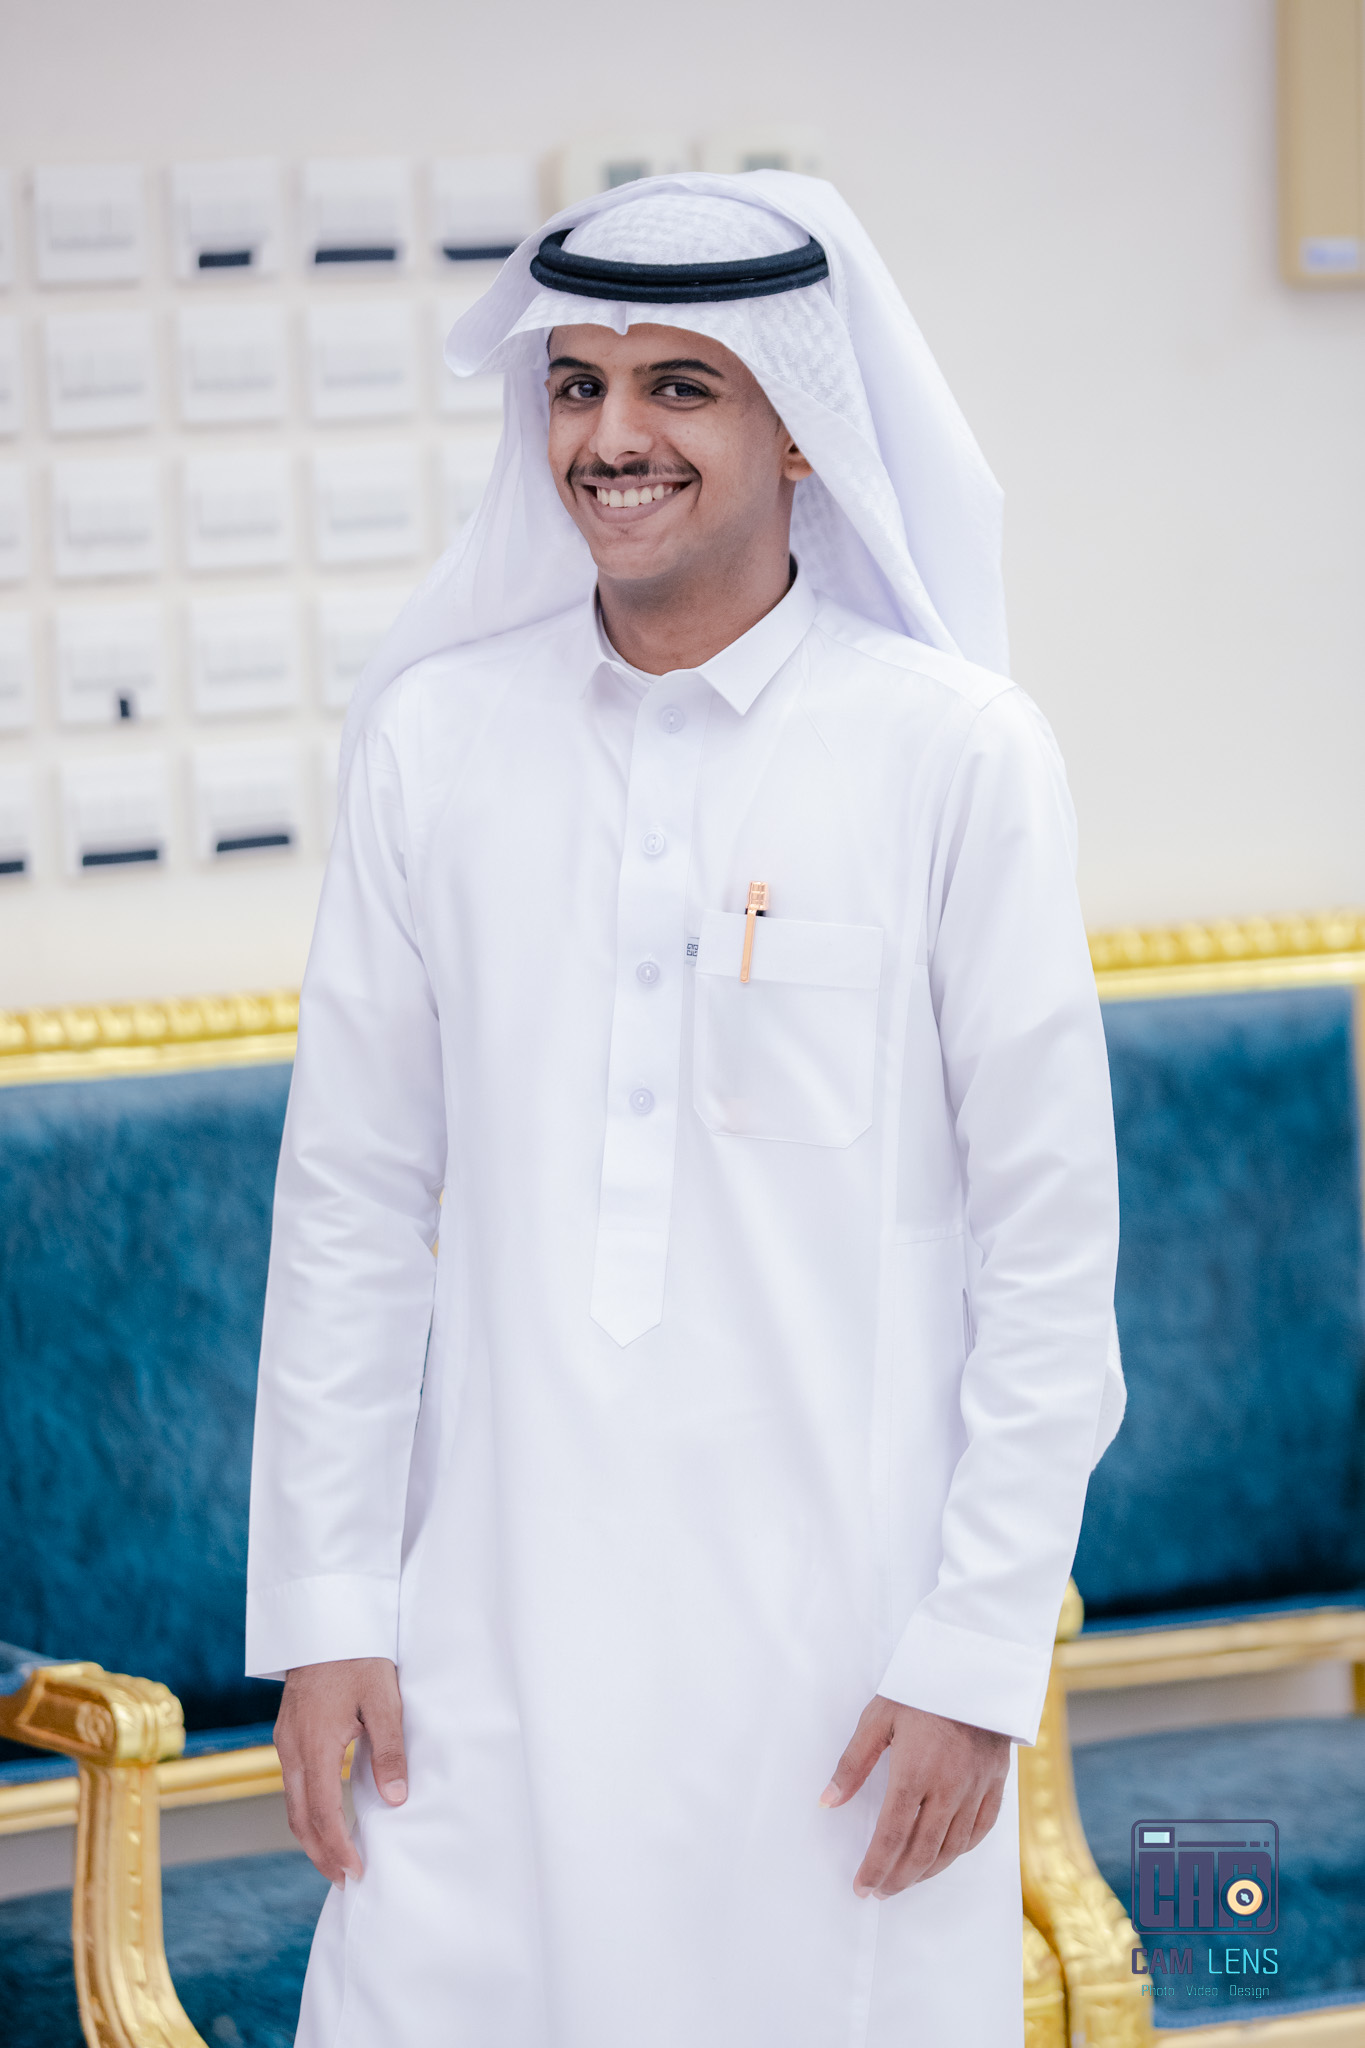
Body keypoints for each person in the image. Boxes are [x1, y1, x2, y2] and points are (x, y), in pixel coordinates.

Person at [246, 172, 1124, 2048]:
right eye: (574, 383)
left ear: (801, 426)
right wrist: (327, 1610)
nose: (609, 435)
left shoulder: (954, 755)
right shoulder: (434, 742)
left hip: (830, 1678)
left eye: (677, 387)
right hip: (480, 1652)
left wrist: (976, 1655)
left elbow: (1048, 1259)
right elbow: (348, 1206)